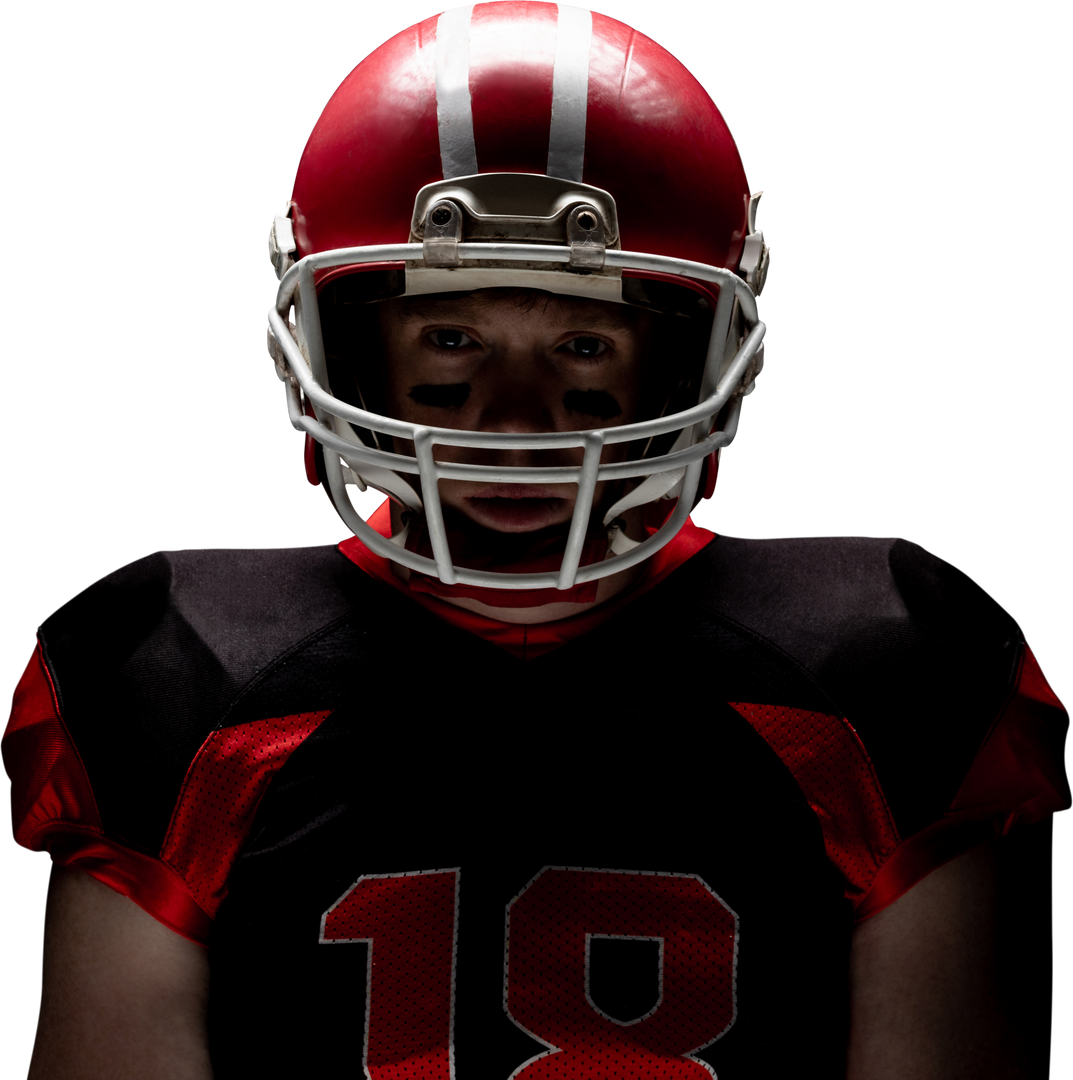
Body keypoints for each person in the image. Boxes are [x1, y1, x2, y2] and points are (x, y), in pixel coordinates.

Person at [2, 3, 1065, 1077]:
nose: (514, 420)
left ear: (704, 349)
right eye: (452, 340)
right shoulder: (180, 670)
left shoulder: (874, 661)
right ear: (334, 344)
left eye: (584, 345)